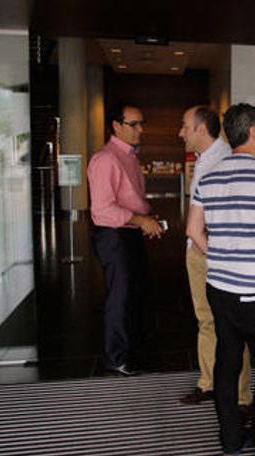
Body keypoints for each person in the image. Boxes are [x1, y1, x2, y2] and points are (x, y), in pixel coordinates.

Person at [186, 103, 255, 456]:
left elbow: (192, 231)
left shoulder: (210, 176)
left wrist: (217, 257)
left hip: (220, 288)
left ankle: (231, 441)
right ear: (253, 132)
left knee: (227, 360)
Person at [177, 106, 254, 411]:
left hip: (217, 256)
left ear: (200, 129)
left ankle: (241, 397)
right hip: (197, 251)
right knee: (206, 321)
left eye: (184, 126)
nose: (180, 133)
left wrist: (210, 248)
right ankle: (208, 383)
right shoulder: (204, 160)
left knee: (233, 326)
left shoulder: (224, 159)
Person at [88, 102, 164, 377]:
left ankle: (131, 349)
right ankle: (115, 357)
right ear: (116, 126)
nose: (140, 129)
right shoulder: (105, 159)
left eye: (142, 123)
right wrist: (141, 219)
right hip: (113, 236)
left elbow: (131, 199)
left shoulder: (130, 156)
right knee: (119, 297)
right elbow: (102, 210)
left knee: (135, 293)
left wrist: (146, 216)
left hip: (130, 233)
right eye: (134, 124)